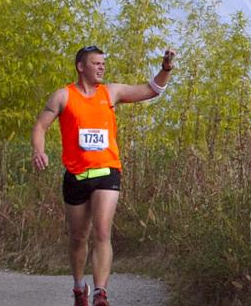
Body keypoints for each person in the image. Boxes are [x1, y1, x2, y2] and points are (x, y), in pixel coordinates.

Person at [32, 46, 176, 306]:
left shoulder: (111, 92)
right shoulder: (63, 96)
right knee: (78, 237)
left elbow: (152, 89)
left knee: (102, 231)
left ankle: (101, 293)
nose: (101, 67)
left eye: (103, 64)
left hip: (107, 171)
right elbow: (40, 126)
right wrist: (39, 151)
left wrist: (165, 69)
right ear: (80, 66)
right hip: (76, 174)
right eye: (96, 63)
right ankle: (79, 287)